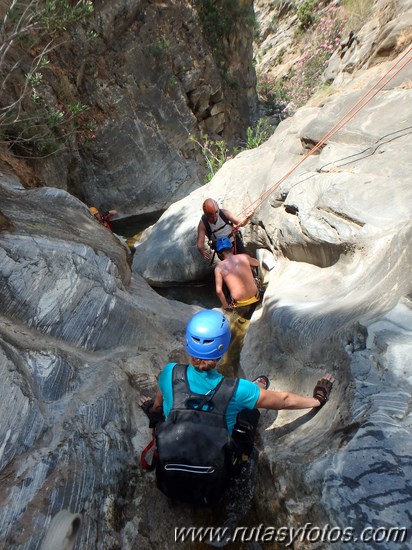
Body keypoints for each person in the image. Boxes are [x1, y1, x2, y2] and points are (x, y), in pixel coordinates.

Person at [139, 309, 335, 505]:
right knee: (249, 410)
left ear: (188, 344)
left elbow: (157, 407)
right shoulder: (236, 389)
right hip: (213, 488)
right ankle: (260, 385)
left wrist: (151, 410)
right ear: (222, 349)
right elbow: (283, 399)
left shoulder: (170, 372)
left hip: (169, 485)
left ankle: (258, 386)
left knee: (241, 400)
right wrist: (317, 399)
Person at [214, 237, 261, 311]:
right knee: (253, 274)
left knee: (226, 290)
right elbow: (257, 263)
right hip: (255, 296)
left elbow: (219, 291)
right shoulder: (244, 257)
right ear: (232, 249)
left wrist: (226, 306)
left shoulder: (219, 268)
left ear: (219, 254)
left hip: (239, 302)